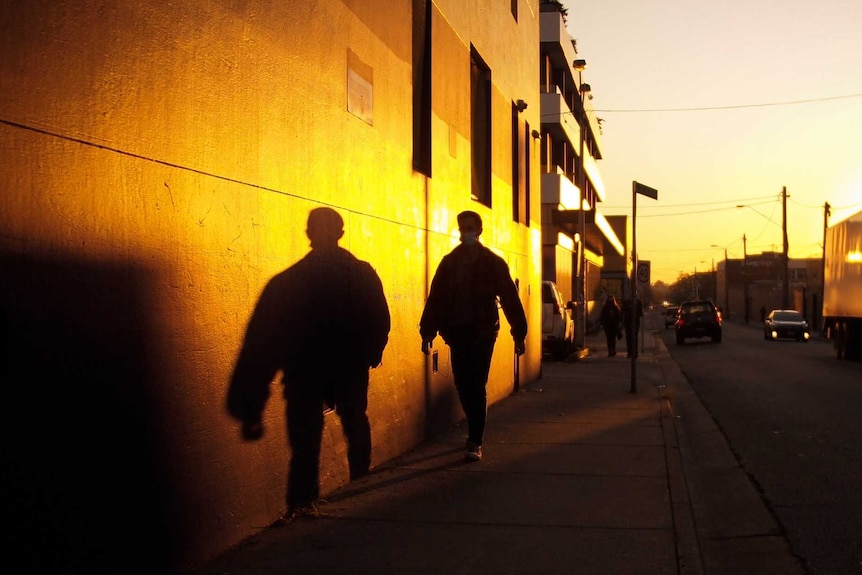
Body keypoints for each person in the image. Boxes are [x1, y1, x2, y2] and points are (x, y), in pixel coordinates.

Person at [226, 207, 390, 518]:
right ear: (342, 233)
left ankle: (303, 507)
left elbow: (262, 341)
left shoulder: (288, 282)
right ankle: (362, 493)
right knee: (355, 426)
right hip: (348, 367)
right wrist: (371, 353)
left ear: (308, 233)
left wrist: (251, 406)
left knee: (304, 445)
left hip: (304, 371)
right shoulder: (362, 274)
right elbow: (379, 318)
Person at [419, 210, 527, 462]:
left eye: (470, 227)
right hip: (457, 332)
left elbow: (510, 299)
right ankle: (474, 430)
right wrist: (428, 331)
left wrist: (518, 334)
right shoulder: (450, 262)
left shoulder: (492, 263)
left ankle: (475, 440)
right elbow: (436, 298)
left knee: (476, 384)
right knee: (462, 383)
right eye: (462, 227)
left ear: (479, 230)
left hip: (483, 332)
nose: (466, 232)